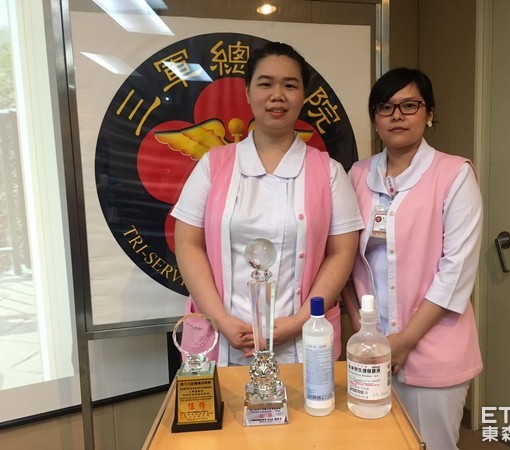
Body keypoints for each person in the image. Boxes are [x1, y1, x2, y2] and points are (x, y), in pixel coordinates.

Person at [171, 42, 363, 366]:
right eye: (265, 84)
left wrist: (299, 321)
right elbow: (187, 243)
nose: (277, 95)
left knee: (308, 400)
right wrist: (221, 319)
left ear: (303, 96)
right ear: (248, 92)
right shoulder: (213, 165)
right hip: (221, 337)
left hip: (302, 340)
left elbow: (341, 253)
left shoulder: (329, 172)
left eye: (290, 85)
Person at [344, 67, 482, 449]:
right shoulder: (357, 175)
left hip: (433, 347)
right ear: (375, 118)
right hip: (369, 347)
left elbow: (455, 270)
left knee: (431, 443)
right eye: (385, 107)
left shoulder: (454, 175)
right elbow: (343, 260)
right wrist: (361, 328)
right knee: (372, 441)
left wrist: (403, 341)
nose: (397, 116)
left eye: (409, 105)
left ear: (429, 113)